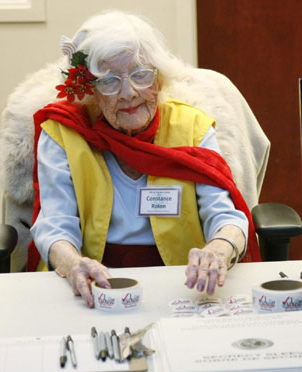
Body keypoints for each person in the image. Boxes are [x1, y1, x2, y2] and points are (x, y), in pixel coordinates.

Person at [28, 10, 260, 307]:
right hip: (94, 285)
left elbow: (226, 218)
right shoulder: (63, 134)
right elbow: (55, 226)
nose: (129, 92)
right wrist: (73, 265)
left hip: (181, 285)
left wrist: (217, 250)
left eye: (141, 75)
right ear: (91, 91)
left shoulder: (191, 128)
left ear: (159, 79)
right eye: (109, 81)